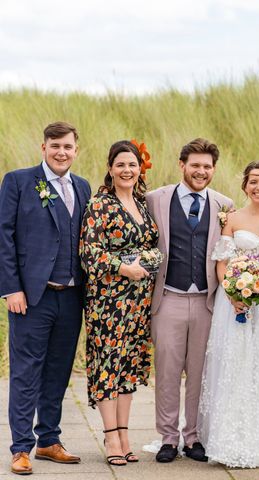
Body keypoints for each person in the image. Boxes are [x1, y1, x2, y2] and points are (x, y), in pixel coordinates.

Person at [0, 122, 90, 475]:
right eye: (55, 145)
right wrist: (11, 288)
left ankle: (49, 440)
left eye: (67, 146)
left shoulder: (82, 187)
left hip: (71, 298)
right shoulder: (19, 181)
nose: (61, 152)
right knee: (25, 373)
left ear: (75, 150)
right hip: (31, 297)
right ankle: (20, 447)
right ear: (43, 147)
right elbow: (4, 235)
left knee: (58, 372)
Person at [198, 161, 259, 467]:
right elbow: (222, 262)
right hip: (236, 303)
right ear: (245, 186)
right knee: (235, 367)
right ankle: (230, 441)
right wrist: (233, 293)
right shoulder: (233, 218)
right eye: (253, 182)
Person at [146, 138, 233, 463]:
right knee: (167, 370)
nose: (201, 171)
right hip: (167, 298)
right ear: (182, 165)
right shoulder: (155, 199)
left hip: (207, 301)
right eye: (195, 165)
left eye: (207, 166)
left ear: (213, 170)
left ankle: (193, 436)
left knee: (200, 372)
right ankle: (168, 438)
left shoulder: (225, 204)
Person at [80, 140, 159, 466]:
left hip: (139, 302)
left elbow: (153, 245)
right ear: (111, 168)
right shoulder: (100, 204)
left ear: (140, 169)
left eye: (132, 165)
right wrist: (124, 267)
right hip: (108, 302)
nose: (127, 170)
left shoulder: (141, 204)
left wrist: (150, 259)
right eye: (121, 164)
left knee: (127, 368)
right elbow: (90, 252)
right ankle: (111, 437)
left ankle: (125, 435)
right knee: (108, 368)